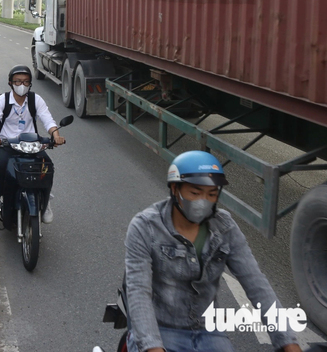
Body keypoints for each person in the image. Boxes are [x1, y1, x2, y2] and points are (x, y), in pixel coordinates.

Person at [124, 151, 302, 352]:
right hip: (161, 330)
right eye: (195, 192)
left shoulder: (225, 227)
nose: (203, 201)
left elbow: (256, 284)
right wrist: (152, 347)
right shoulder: (144, 226)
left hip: (208, 332)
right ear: (175, 189)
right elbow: (138, 291)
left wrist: (288, 342)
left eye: (211, 194)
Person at [0, 65, 65, 224]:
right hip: (8, 144)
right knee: (1, 166)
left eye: (26, 82)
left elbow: (47, 119)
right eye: (18, 82)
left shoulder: (36, 100)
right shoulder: (3, 100)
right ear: (10, 83)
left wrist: (56, 136)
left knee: (47, 166)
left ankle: (45, 200)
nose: (22, 85)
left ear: (30, 84)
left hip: (31, 144)